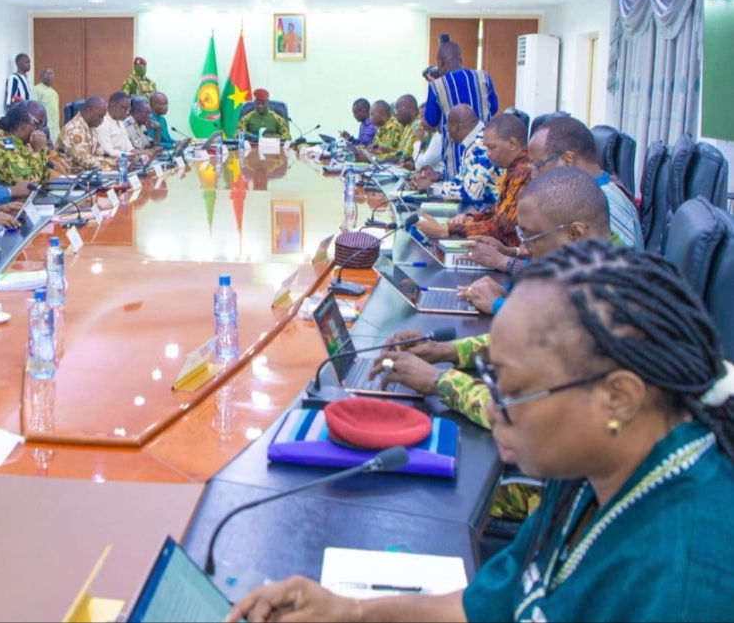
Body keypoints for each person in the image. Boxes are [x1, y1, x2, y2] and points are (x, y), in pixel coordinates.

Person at [235, 240, 734, 622]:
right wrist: (350, 610)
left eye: (512, 392)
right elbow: (486, 606)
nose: (494, 409)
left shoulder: (687, 581)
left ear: (619, 398)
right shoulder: (593, 466)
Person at [377, 167, 613, 519]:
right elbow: (532, 341)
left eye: (532, 238)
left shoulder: (604, 304)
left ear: (576, 233)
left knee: (400, 488)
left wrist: (439, 381)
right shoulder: (590, 274)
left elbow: (525, 418)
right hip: (556, 470)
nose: (524, 251)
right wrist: (447, 351)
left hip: (554, 492)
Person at [416, 113, 531, 246]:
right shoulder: (512, 167)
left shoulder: (523, 173)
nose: (487, 153)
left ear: (512, 144)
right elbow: (498, 211)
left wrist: (444, 230)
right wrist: (471, 218)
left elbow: (501, 228)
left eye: (491, 147)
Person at [529, 116, 642, 249]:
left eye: (538, 166)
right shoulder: (579, 198)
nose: (533, 177)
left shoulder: (607, 206)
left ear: (567, 160)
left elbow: (614, 261)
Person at [409, 104, 500, 205]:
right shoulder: (474, 140)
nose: (448, 136)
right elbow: (462, 182)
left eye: (447, 129)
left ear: (455, 127)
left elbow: (471, 194)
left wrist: (431, 188)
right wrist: (439, 177)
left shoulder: (480, 146)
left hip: (488, 210)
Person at [424, 40, 499, 141]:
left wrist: (436, 87)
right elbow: (493, 108)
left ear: (440, 63)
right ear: (460, 59)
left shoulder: (436, 86)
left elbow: (432, 121)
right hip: (484, 144)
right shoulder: (483, 76)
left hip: (454, 148)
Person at [0, 102, 50, 187]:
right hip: (11, 196)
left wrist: (42, 150)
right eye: (34, 125)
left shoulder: (21, 144)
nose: (37, 130)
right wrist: (37, 151)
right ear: (24, 125)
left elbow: (44, 180)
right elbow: (29, 184)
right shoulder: (3, 147)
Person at [56, 95, 113, 173]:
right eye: (100, 116)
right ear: (88, 112)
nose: (102, 120)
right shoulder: (74, 129)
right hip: (69, 175)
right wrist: (111, 164)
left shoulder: (91, 128)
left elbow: (101, 153)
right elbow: (85, 160)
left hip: (86, 174)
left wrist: (116, 161)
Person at [96, 91, 135, 159]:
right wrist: (128, 155)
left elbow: (126, 142)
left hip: (124, 159)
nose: (127, 113)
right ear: (116, 106)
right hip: (111, 161)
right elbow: (107, 152)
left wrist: (132, 151)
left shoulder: (119, 120)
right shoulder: (102, 122)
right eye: (125, 109)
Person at [387, 94, 424, 164]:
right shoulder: (408, 125)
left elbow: (406, 156)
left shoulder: (419, 125)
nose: (396, 114)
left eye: (398, 109)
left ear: (411, 107)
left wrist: (378, 158)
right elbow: (401, 151)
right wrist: (385, 150)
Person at [29, 67, 61, 140]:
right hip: (43, 129)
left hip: (55, 130)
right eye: (46, 73)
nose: (49, 76)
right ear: (41, 76)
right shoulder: (36, 89)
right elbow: (32, 110)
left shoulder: (55, 93)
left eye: (51, 73)